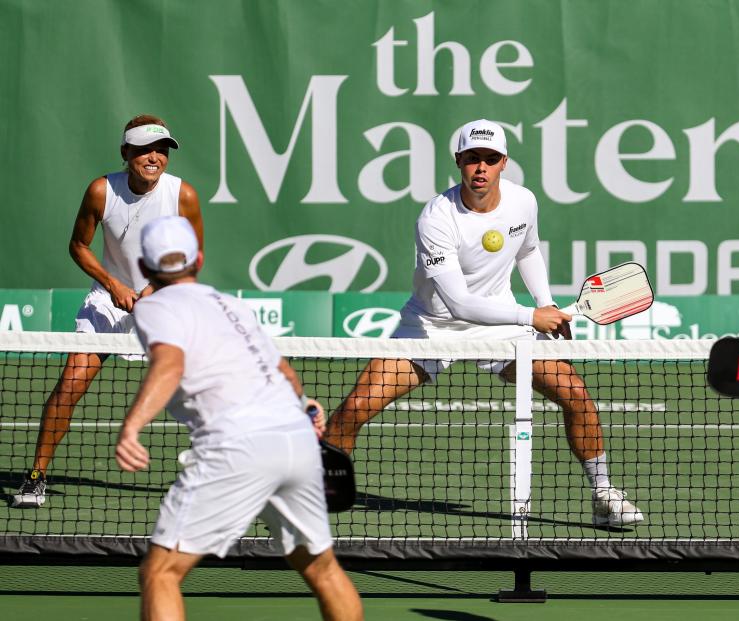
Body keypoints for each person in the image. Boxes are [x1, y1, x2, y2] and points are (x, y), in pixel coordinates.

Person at [325, 119, 643, 527]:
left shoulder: (523, 202)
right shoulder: (436, 219)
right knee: (355, 408)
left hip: (500, 327)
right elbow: (458, 303)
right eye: (473, 159)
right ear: (458, 161)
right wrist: (533, 316)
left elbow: (527, 252)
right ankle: (316, 494)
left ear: (503, 163)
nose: (481, 168)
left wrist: (546, 305)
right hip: (431, 326)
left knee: (576, 394)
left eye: (490, 159)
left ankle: (603, 495)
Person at [114, 216, 363, 621]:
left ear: (144, 268)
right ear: (199, 259)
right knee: (321, 567)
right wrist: (303, 406)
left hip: (237, 444)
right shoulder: (231, 304)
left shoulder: (155, 305)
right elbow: (284, 371)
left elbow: (169, 364)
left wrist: (132, 426)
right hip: (295, 440)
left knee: (161, 572)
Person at [13, 114, 203, 508]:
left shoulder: (183, 195)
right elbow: (78, 245)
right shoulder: (102, 191)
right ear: (125, 153)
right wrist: (114, 284)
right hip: (107, 302)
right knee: (70, 385)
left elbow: (193, 256)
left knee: (205, 390)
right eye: (145, 150)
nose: (154, 157)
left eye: (162, 149)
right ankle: (35, 476)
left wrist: (153, 288)